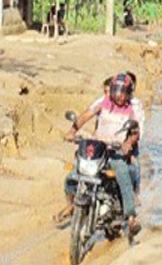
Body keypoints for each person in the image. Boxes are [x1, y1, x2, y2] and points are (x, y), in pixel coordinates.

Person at [57, 73, 144, 236]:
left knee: (122, 173)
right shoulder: (103, 101)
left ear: (129, 92)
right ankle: (71, 204)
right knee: (73, 174)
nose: (118, 95)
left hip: (115, 151)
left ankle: (131, 217)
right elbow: (86, 115)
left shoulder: (132, 107)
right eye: (116, 90)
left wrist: (127, 143)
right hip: (97, 147)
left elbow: (135, 131)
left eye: (122, 91)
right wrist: (72, 131)